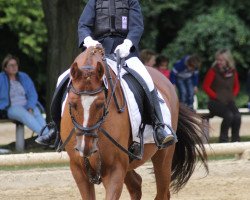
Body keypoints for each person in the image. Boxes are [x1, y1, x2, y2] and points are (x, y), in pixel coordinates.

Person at [36, 0, 176, 149]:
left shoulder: (131, 1)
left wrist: (128, 44)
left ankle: (158, 126)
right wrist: (88, 40)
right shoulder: (94, 1)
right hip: (97, 51)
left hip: (125, 51)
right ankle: (55, 128)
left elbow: (137, 26)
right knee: (61, 78)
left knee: (146, 79)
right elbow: (84, 25)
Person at [0, 54, 54, 140]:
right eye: (11, 65)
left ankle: (47, 137)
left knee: (36, 112)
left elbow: (33, 94)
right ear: (5, 68)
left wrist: (30, 107)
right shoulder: (1, 78)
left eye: (16, 64)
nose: (14, 67)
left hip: (27, 105)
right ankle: (47, 137)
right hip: (11, 108)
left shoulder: (23, 76)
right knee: (25, 115)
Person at [203, 49, 241, 143]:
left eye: (221, 60)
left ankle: (236, 140)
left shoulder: (233, 71)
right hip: (214, 102)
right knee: (229, 115)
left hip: (229, 101)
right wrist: (216, 96)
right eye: (218, 60)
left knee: (237, 116)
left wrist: (233, 95)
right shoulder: (213, 71)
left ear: (227, 60)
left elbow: (237, 86)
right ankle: (223, 140)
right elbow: (205, 87)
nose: (219, 62)